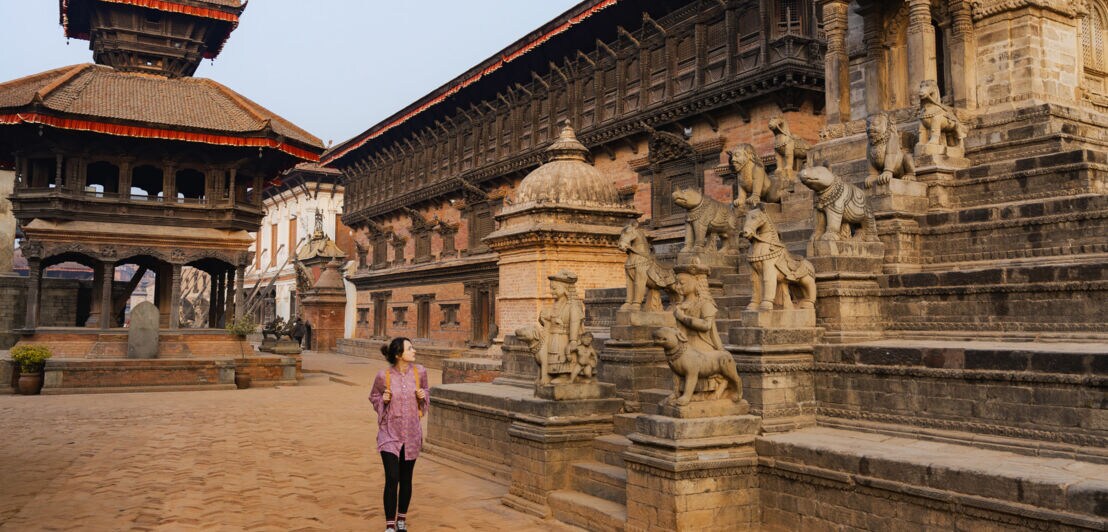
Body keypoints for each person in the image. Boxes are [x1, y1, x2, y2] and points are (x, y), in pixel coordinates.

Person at [369, 337, 429, 532]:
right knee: (392, 477)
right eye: (410, 348)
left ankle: (401, 519)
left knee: (406, 478)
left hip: (411, 433)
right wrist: (383, 400)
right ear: (398, 355)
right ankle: (389, 525)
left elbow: (426, 391)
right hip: (389, 433)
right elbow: (374, 396)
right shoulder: (383, 376)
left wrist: (423, 395)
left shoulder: (420, 372)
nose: (414, 351)